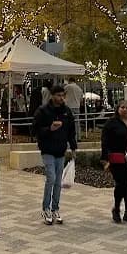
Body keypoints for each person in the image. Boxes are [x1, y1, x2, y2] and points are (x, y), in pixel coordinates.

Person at [33, 85, 77, 225]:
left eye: (63, 95)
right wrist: (49, 129)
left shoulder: (66, 111)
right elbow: (35, 130)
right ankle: (46, 208)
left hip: (60, 149)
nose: (61, 98)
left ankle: (55, 208)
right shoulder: (43, 111)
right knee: (51, 178)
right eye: (58, 95)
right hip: (47, 149)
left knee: (58, 181)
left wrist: (73, 148)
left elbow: (71, 131)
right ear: (52, 96)